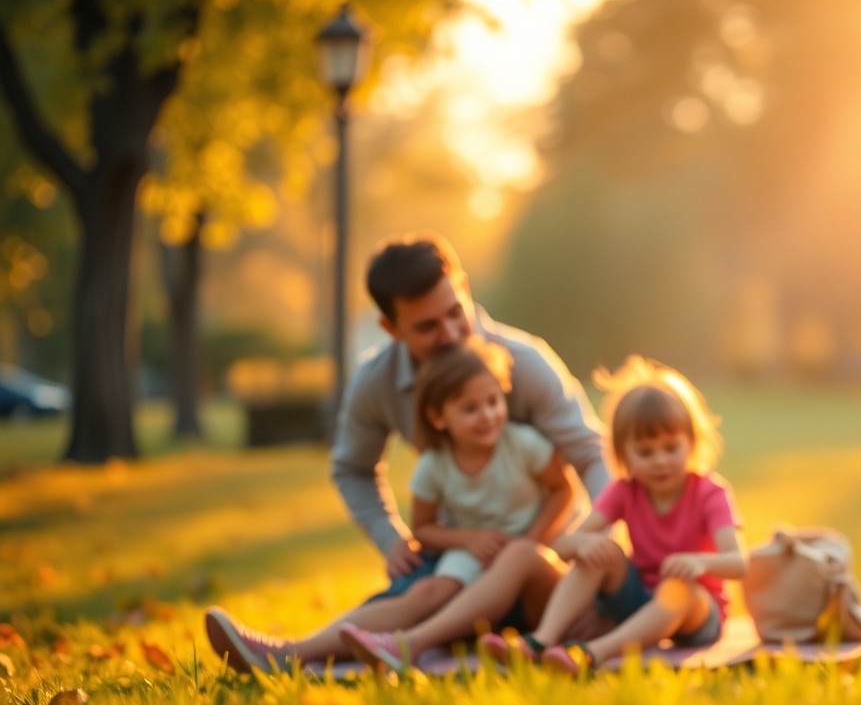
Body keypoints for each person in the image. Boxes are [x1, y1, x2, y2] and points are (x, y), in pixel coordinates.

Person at [204, 338, 577, 671]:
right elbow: (425, 530)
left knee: (501, 566)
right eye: (470, 408)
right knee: (425, 593)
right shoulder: (435, 465)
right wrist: (469, 539)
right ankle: (287, 653)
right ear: (437, 416)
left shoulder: (524, 445)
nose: (488, 415)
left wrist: (530, 538)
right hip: (473, 551)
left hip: (528, 557)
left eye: (494, 401)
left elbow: (564, 490)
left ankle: (408, 646)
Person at [335, 233, 609, 594]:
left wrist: (598, 536)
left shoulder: (526, 363)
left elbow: (591, 454)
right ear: (391, 329)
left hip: (550, 546)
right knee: (410, 593)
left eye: (455, 313)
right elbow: (353, 469)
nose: (450, 335)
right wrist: (392, 541)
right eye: (427, 326)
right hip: (470, 548)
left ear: (463, 287)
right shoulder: (375, 382)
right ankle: (287, 651)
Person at [451, 356, 748, 675]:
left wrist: (700, 563)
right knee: (601, 553)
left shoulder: (710, 493)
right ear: (624, 454)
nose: (660, 461)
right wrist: (582, 545)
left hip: (697, 613)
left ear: (691, 442)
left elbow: (739, 563)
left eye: (670, 448)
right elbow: (563, 546)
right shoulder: (625, 490)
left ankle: (590, 653)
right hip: (639, 602)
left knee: (680, 588)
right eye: (646, 452)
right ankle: (541, 641)